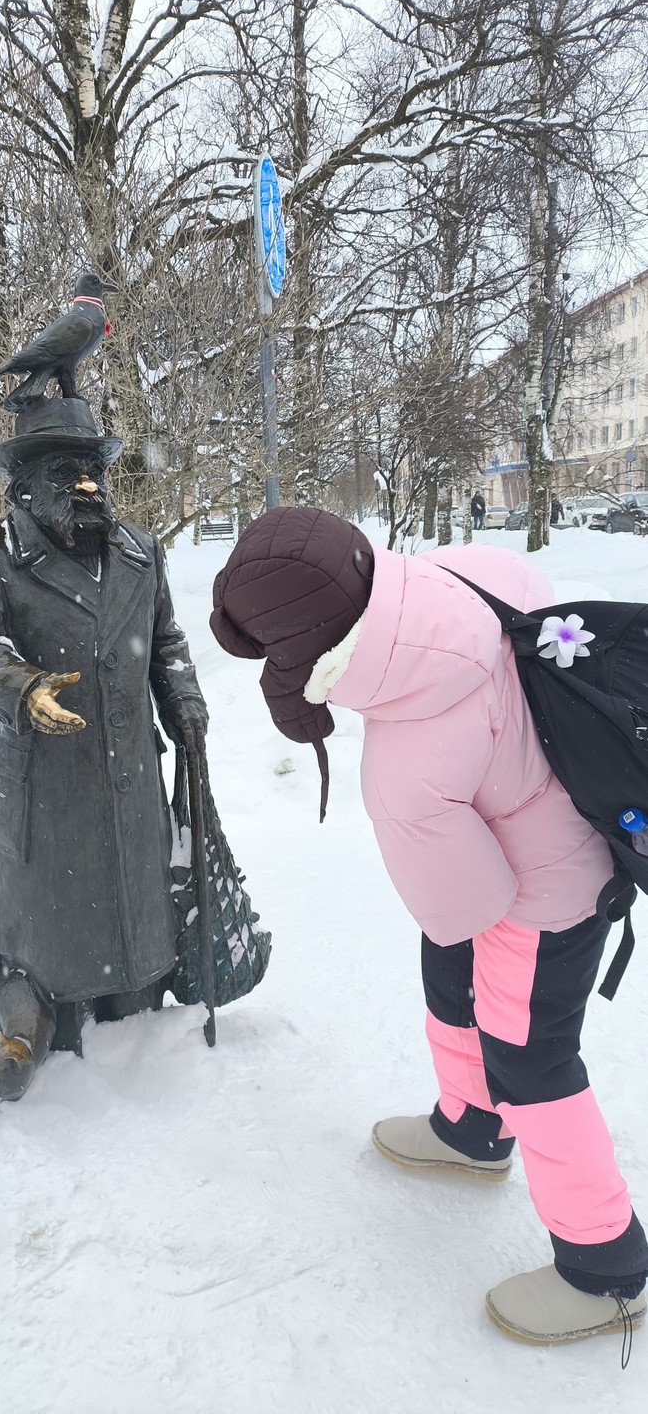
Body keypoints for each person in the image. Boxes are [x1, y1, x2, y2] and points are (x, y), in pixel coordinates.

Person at [209, 505, 647, 1346]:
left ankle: (606, 1267)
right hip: (568, 820)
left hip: (550, 895)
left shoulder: (406, 764)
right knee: (451, 980)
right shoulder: (465, 572)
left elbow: (467, 906)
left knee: (531, 1057)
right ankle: (471, 1128)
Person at [0, 396, 208, 1099]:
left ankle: (136, 995)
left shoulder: (139, 551)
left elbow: (166, 643)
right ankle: (30, 1015)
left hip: (131, 772)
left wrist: (183, 700)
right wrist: (23, 688)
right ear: (25, 485)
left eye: (95, 469)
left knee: (134, 909)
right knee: (53, 929)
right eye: (66, 472)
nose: (88, 484)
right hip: (48, 781)